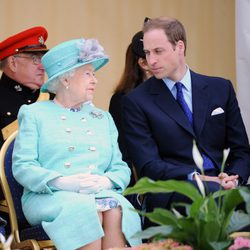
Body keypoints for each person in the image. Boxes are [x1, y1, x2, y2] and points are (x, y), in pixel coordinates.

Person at [12, 38, 142, 250]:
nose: (95, 80)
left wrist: (106, 182)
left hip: (100, 193)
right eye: (88, 74)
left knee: (115, 207)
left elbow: (119, 167)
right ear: (65, 79)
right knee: (88, 211)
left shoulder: (103, 117)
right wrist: (63, 182)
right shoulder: (35, 113)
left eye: (94, 74)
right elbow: (23, 166)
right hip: (49, 196)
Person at [122, 17, 250, 228]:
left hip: (227, 187)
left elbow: (242, 150)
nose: (151, 60)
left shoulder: (221, 88)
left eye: (158, 51)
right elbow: (148, 165)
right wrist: (197, 178)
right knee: (215, 198)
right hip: (175, 192)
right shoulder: (136, 101)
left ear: (179, 46)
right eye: (147, 53)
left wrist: (234, 179)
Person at [109, 30, 153, 187]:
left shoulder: (171, 93)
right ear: (143, 63)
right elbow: (123, 151)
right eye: (153, 53)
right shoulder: (121, 99)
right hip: (141, 181)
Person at [0, 26, 51, 147]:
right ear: (13, 63)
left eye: (43, 60)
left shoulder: (53, 98)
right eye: (35, 59)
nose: (42, 67)